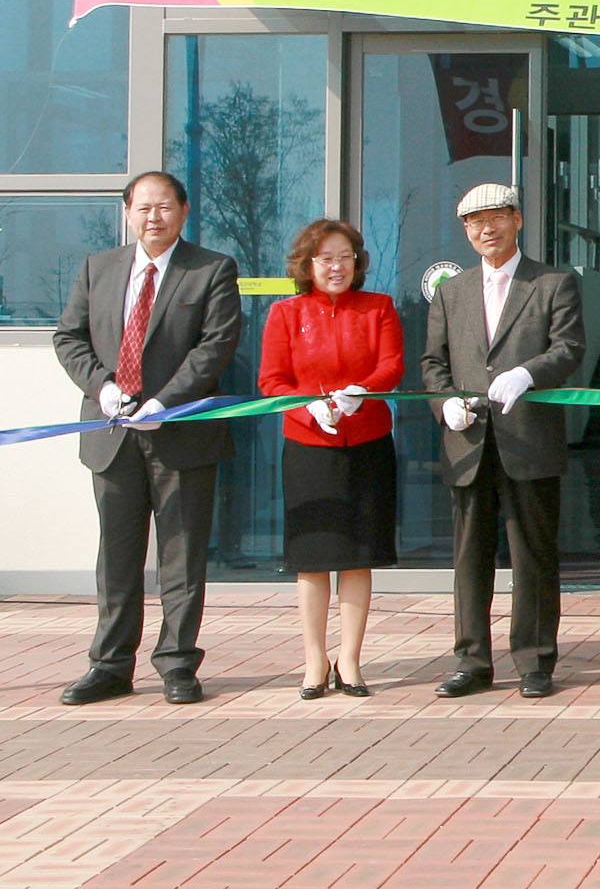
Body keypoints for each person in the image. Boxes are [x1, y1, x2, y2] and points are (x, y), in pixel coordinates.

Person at [51, 170, 241, 705]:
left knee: (182, 556)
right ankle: (109, 666)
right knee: (116, 557)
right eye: (143, 207)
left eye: (164, 207)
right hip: (112, 435)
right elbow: (69, 338)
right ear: (128, 213)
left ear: (183, 211)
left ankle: (177, 664)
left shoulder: (211, 269)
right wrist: (103, 387)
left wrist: (165, 402)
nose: (153, 217)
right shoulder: (99, 268)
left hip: (181, 435)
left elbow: (216, 345)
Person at [422, 184, 584, 700]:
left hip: (529, 438)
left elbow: (569, 347)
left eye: (495, 217)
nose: (486, 229)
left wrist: (527, 374)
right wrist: (444, 404)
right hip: (468, 442)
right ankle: (471, 661)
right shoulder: (452, 291)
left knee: (532, 555)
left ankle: (535, 662)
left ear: (517, 219)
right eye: (475, 222)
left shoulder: (553, 282)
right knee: (469, 558)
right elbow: (433, 362)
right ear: (466, 231)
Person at [258, 220, 404, 698]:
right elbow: (272, 381)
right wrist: (308, 407)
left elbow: (392, 365)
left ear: (357, 263)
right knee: (314, 557)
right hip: (309, 447)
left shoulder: (378, 307)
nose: (336, 267)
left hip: (367, 442)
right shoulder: (285, 312)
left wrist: (364, 390)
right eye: (326, 259)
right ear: (308, 265)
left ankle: (351, 660)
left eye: (345, 257)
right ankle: (314, 662)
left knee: (358, 557)